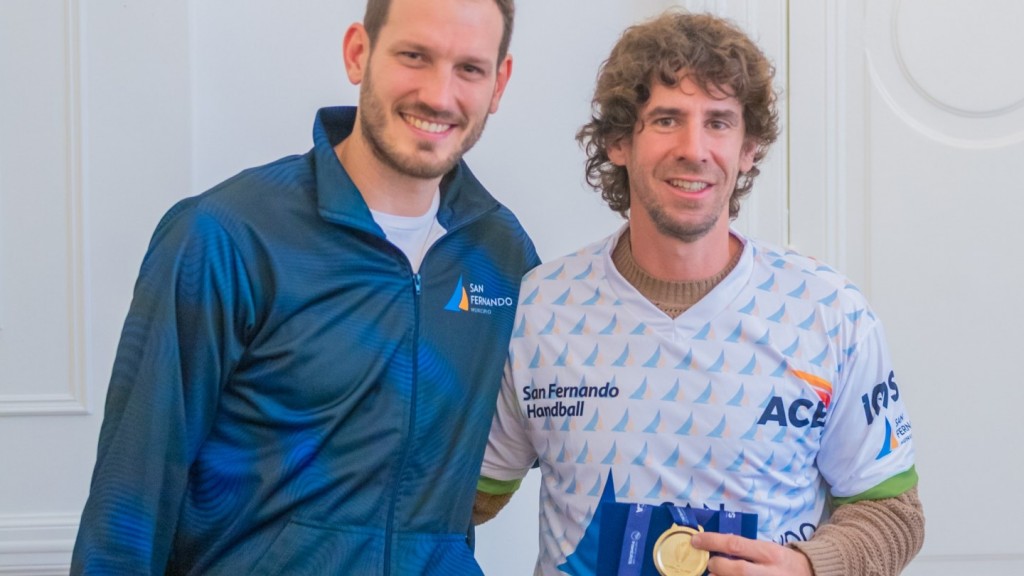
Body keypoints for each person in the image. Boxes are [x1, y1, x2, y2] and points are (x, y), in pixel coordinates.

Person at [71, 0, 537, 574]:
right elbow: (130, 500)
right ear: (358, 53)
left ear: (498, 83)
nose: (439, 95)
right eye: (414, 56)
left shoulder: (501, 255)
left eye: (469, 68)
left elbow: (561, 420)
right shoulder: (225, 237)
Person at [475, 10, 923, 576]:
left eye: (718, 122)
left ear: (748, 148)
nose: (694, 148)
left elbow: (893, 513)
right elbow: (460, 497)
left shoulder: (830, 314)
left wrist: (810, 567)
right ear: (618, 142)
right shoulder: (538, 310)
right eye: (666, 120)